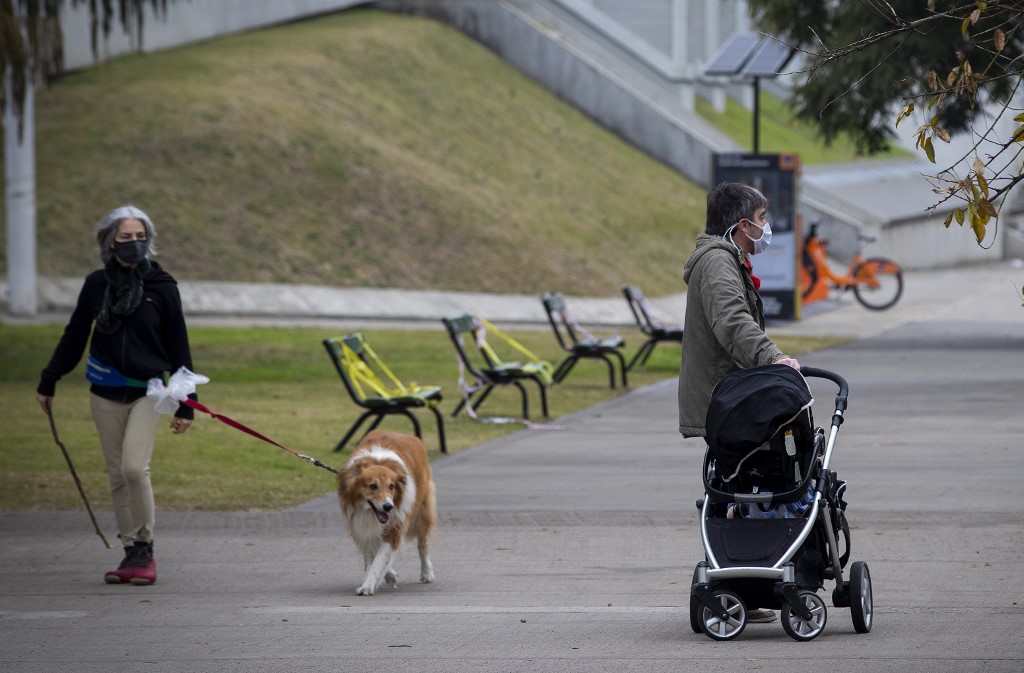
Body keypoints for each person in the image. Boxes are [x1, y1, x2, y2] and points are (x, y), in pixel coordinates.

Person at [36, 205, 197, 586]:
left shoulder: (162, 286)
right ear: (110, 242)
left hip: (148, 391)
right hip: (105, 391)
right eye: (126, 238)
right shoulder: (97, 285)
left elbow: (179, 345)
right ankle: (130, 554)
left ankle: (146, 549)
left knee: (133, 468)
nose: (134, 244)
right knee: (115, 475)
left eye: (140, 238)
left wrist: (186, 405)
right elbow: (75, 335)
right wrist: (49, 379)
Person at [677, 182, 800, 623]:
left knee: (744, 489)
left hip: (732, 397)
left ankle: (747, 588)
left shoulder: (726, 259)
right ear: (742, 223)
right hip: (726, 403)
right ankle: (742, 584)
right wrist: (774, 359)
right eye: (762, 219)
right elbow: (733, 324)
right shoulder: (716, 263)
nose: (766, 228)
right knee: (741, 489)